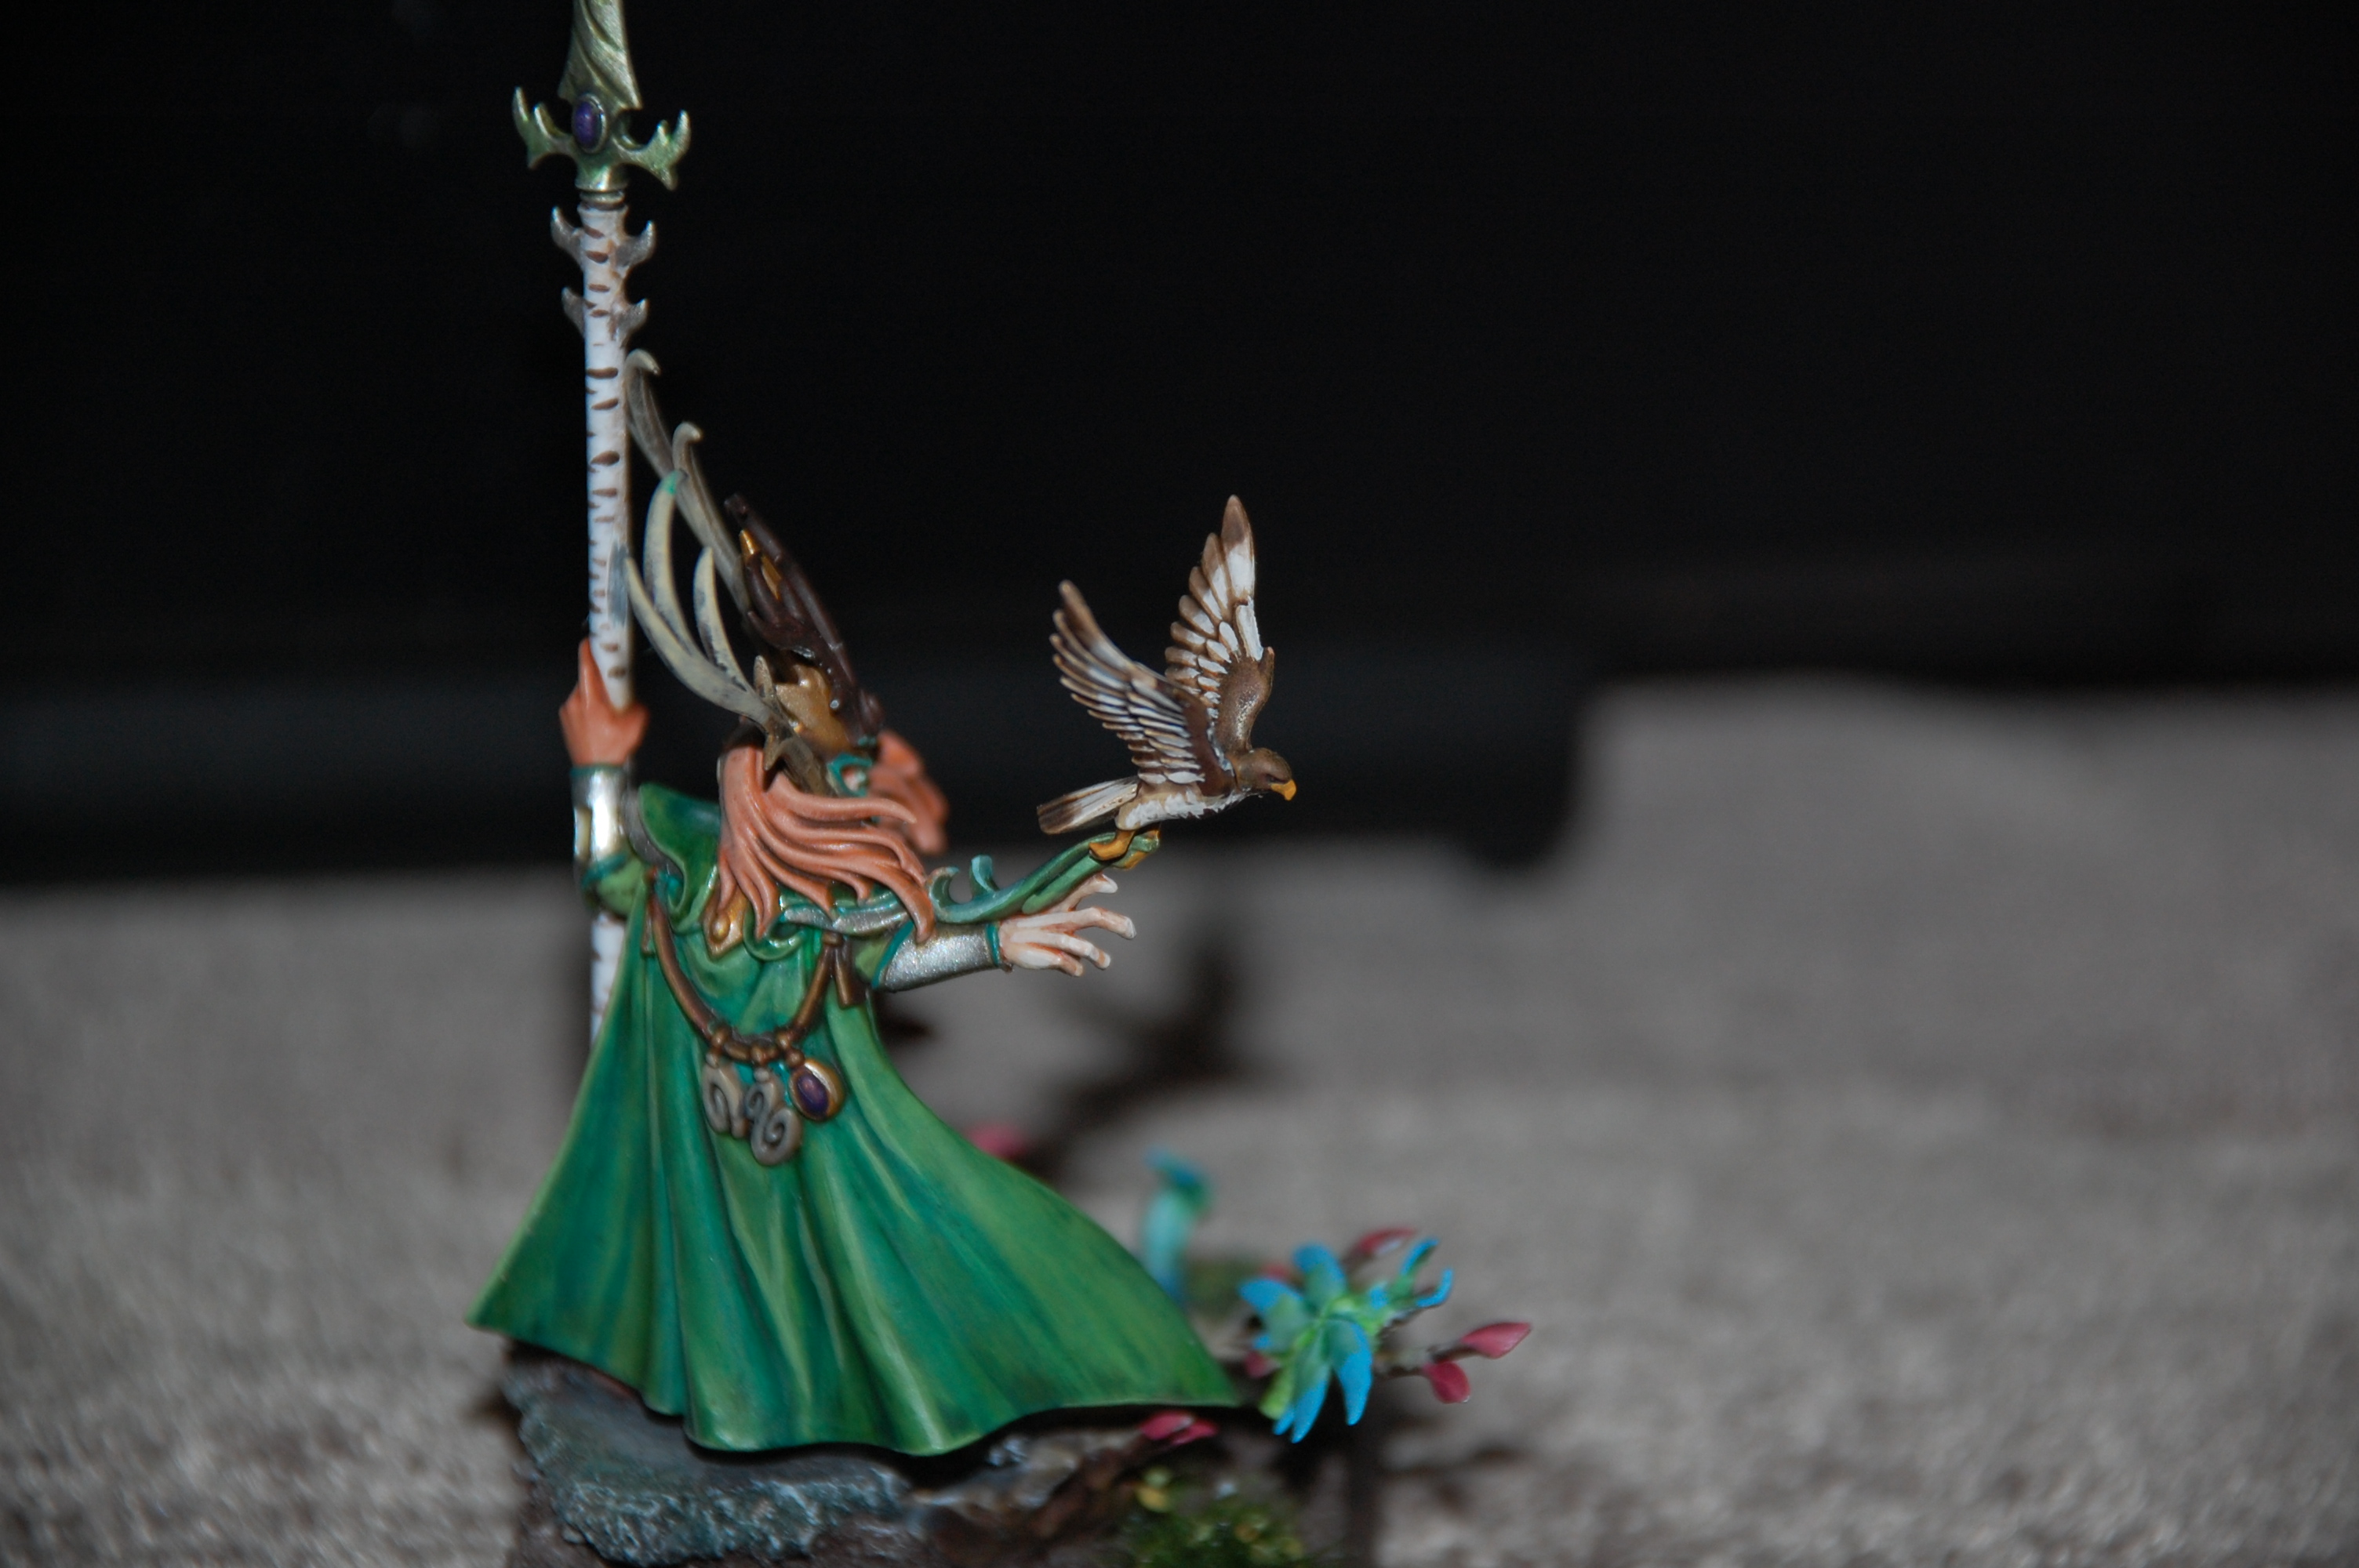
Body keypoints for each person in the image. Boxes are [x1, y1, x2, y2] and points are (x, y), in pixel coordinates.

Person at [468, 512, 1235, 1454]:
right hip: (706, 1132)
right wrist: (595, 767)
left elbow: (895, 952)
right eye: (773, 784)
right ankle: (738, 1416)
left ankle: (823, 1415)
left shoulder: (826, 913)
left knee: (831, 1280)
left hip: (803, 1130)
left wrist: (1003, 939)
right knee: (716, 1280)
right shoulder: (682, 865)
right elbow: (606, 877)